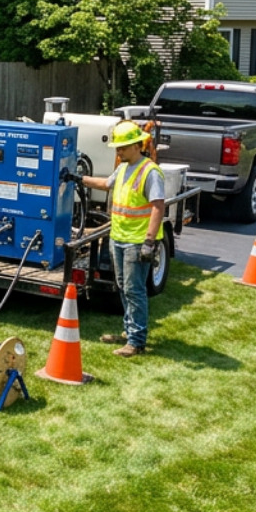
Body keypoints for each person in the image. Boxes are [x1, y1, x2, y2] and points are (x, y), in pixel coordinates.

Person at [80, 121, 166, 358]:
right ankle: (129, 332)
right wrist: (80, 179)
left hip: (137, 241)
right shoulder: (124, 168)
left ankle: (137, 341)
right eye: (118, 148)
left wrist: (149, 241)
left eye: (123, 148)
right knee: (123, 287)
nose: (118, 152)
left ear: (137, 146)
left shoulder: (150, 172)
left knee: (134, 289)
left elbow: (159, 207)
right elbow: (107, 184)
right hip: (118, 237)